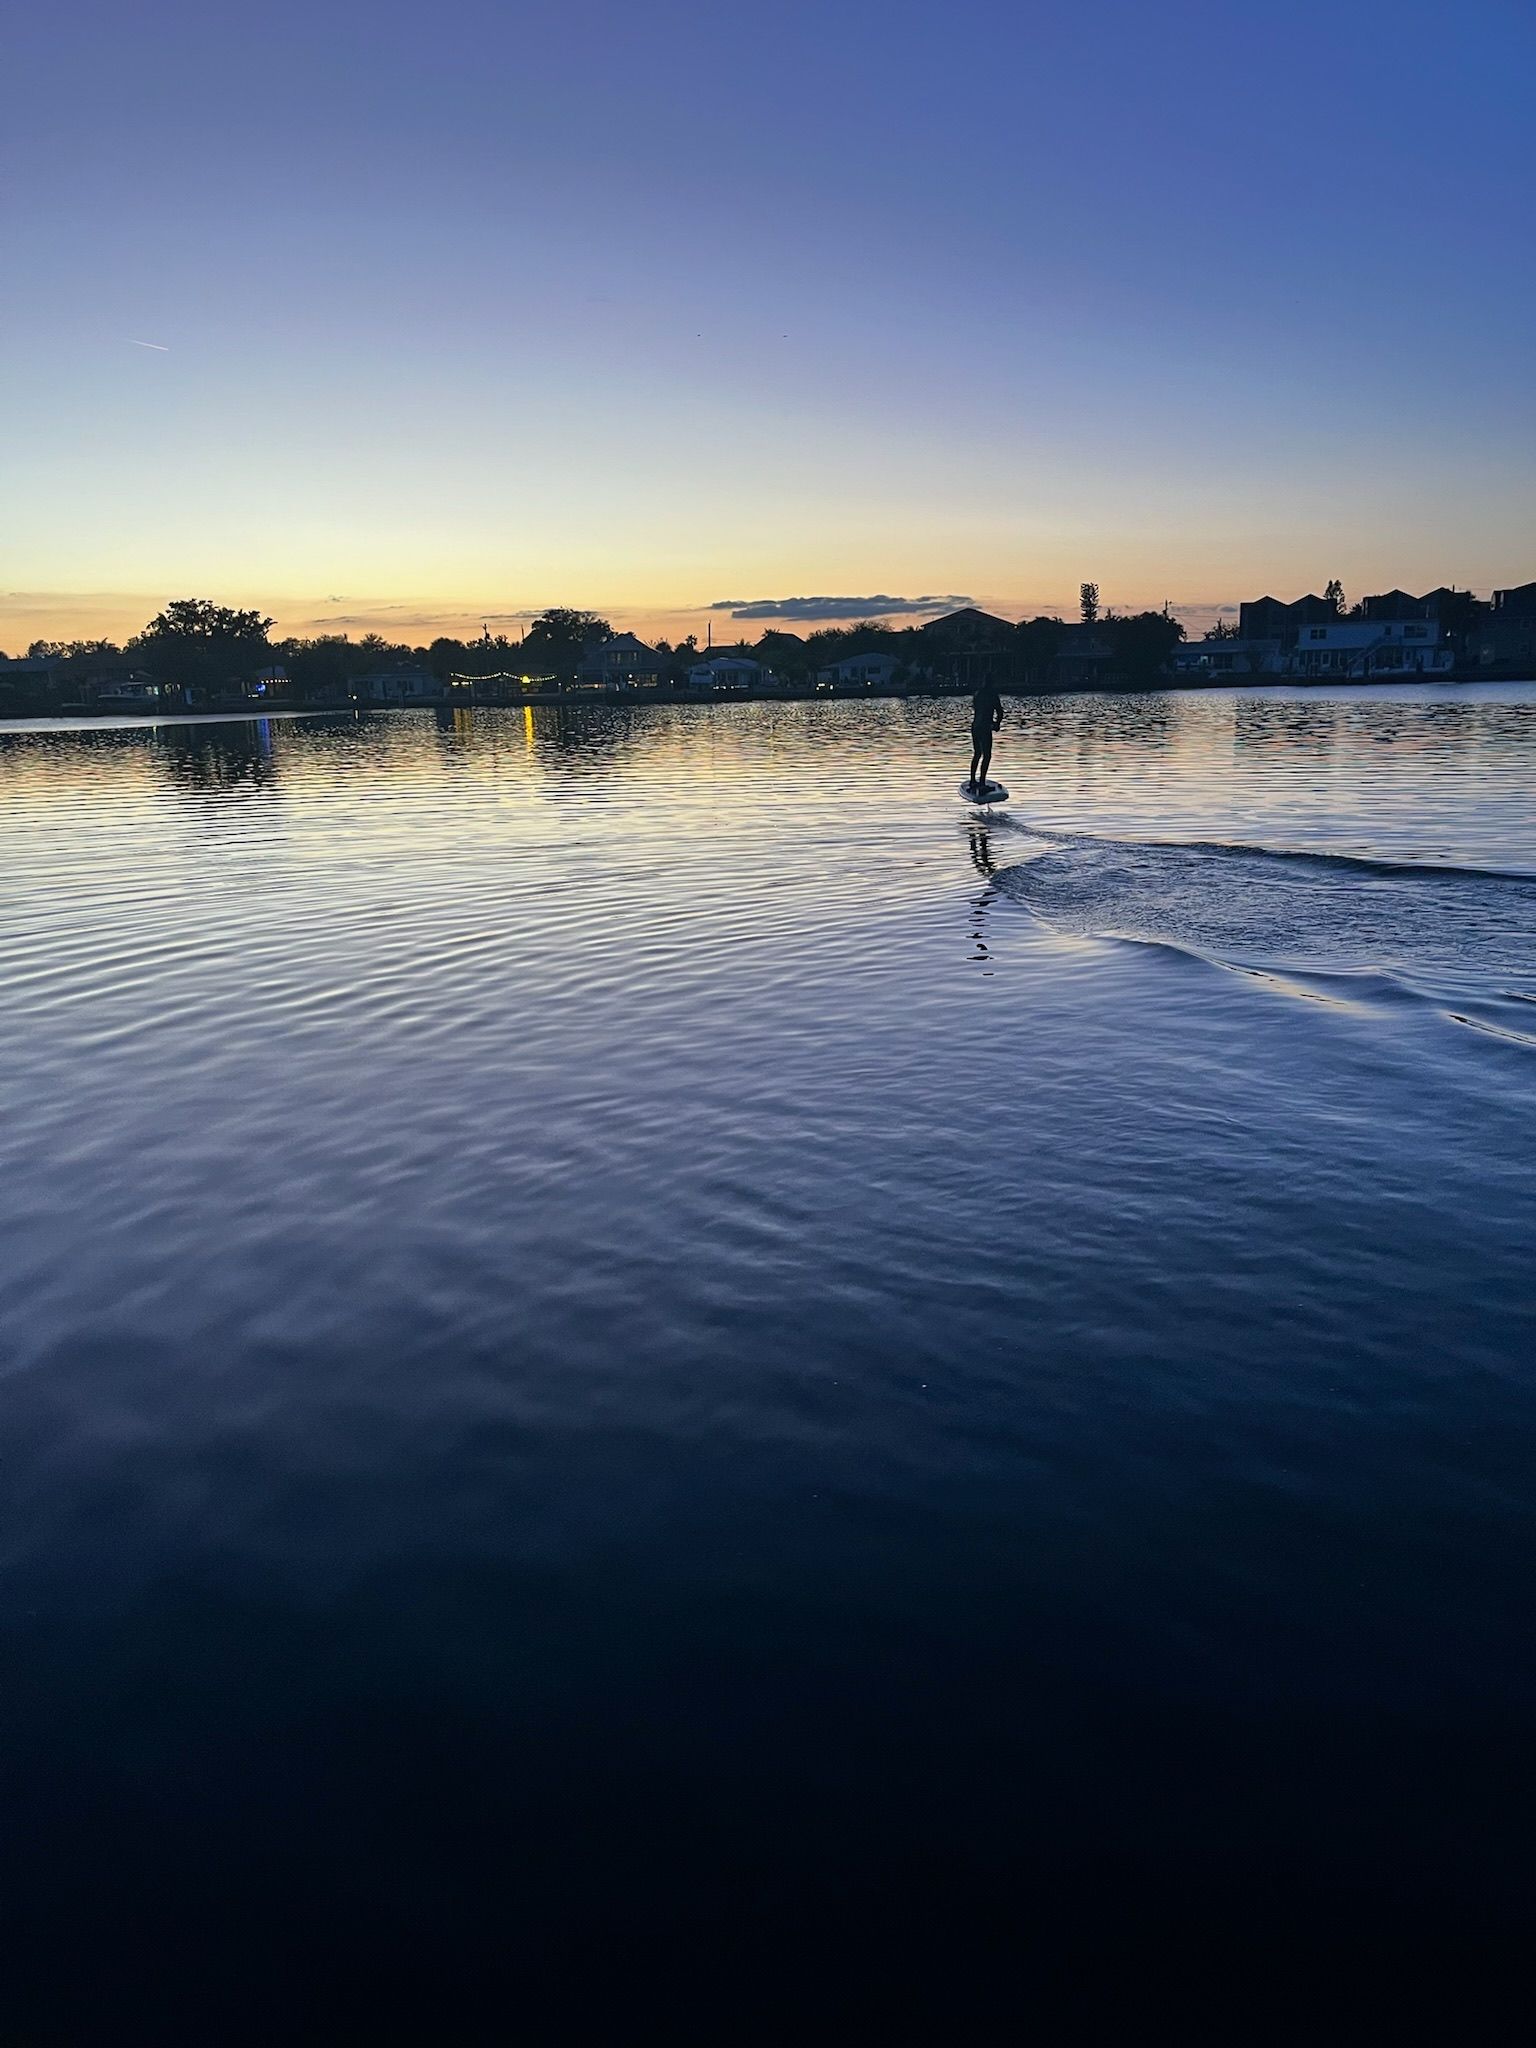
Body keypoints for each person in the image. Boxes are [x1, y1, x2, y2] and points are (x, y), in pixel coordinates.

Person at [968, 679, 1003, 795]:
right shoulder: (992, 695)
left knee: (977, 753)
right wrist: (996, 724)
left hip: (975, 726)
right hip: (984, 728)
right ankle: (982, 781)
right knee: (987, 755)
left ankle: (973, 780)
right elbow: (999, 712)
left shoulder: (977, 694)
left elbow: (978, 710)